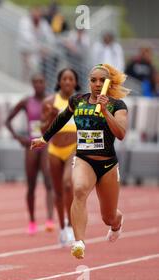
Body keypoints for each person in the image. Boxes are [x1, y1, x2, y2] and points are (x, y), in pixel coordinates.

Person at [31, 63, 130, 259]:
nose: (97, 83)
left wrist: (104, 111)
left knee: (108, 216)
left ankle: (117, 222)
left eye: (102, 80)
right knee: (78, 190)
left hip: (108, 164)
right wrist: (44, 138)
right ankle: (79, 242)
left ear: (108, 83)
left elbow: (120, 133)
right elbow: (60, 118)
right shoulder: (78, 101)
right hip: (84, 159)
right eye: (93, 80)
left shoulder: (117, 105)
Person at [5, 73, 54, 235]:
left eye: (41, 82)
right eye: (36, 82)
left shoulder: (52, 101)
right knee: (31, 185)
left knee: (48, 181)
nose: (39, 85)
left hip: (46, 144)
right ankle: (32, 221)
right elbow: (8, 120)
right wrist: (18, 137)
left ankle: (49, 219)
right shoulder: (27, 102)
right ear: (32, 84)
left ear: (45, 83)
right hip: (31, 145)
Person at [41, 68, 81, 246]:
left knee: (67, 184)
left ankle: (72, 226)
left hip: (74, 147)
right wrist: (49, 117)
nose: (67, 82)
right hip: (54, 150)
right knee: (57, 191)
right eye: (64, 79)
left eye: (70, 79)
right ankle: (63, 228)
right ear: (59, 82)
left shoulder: (81, 102)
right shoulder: (50, 101)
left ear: (75, 82)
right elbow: (42, 130)